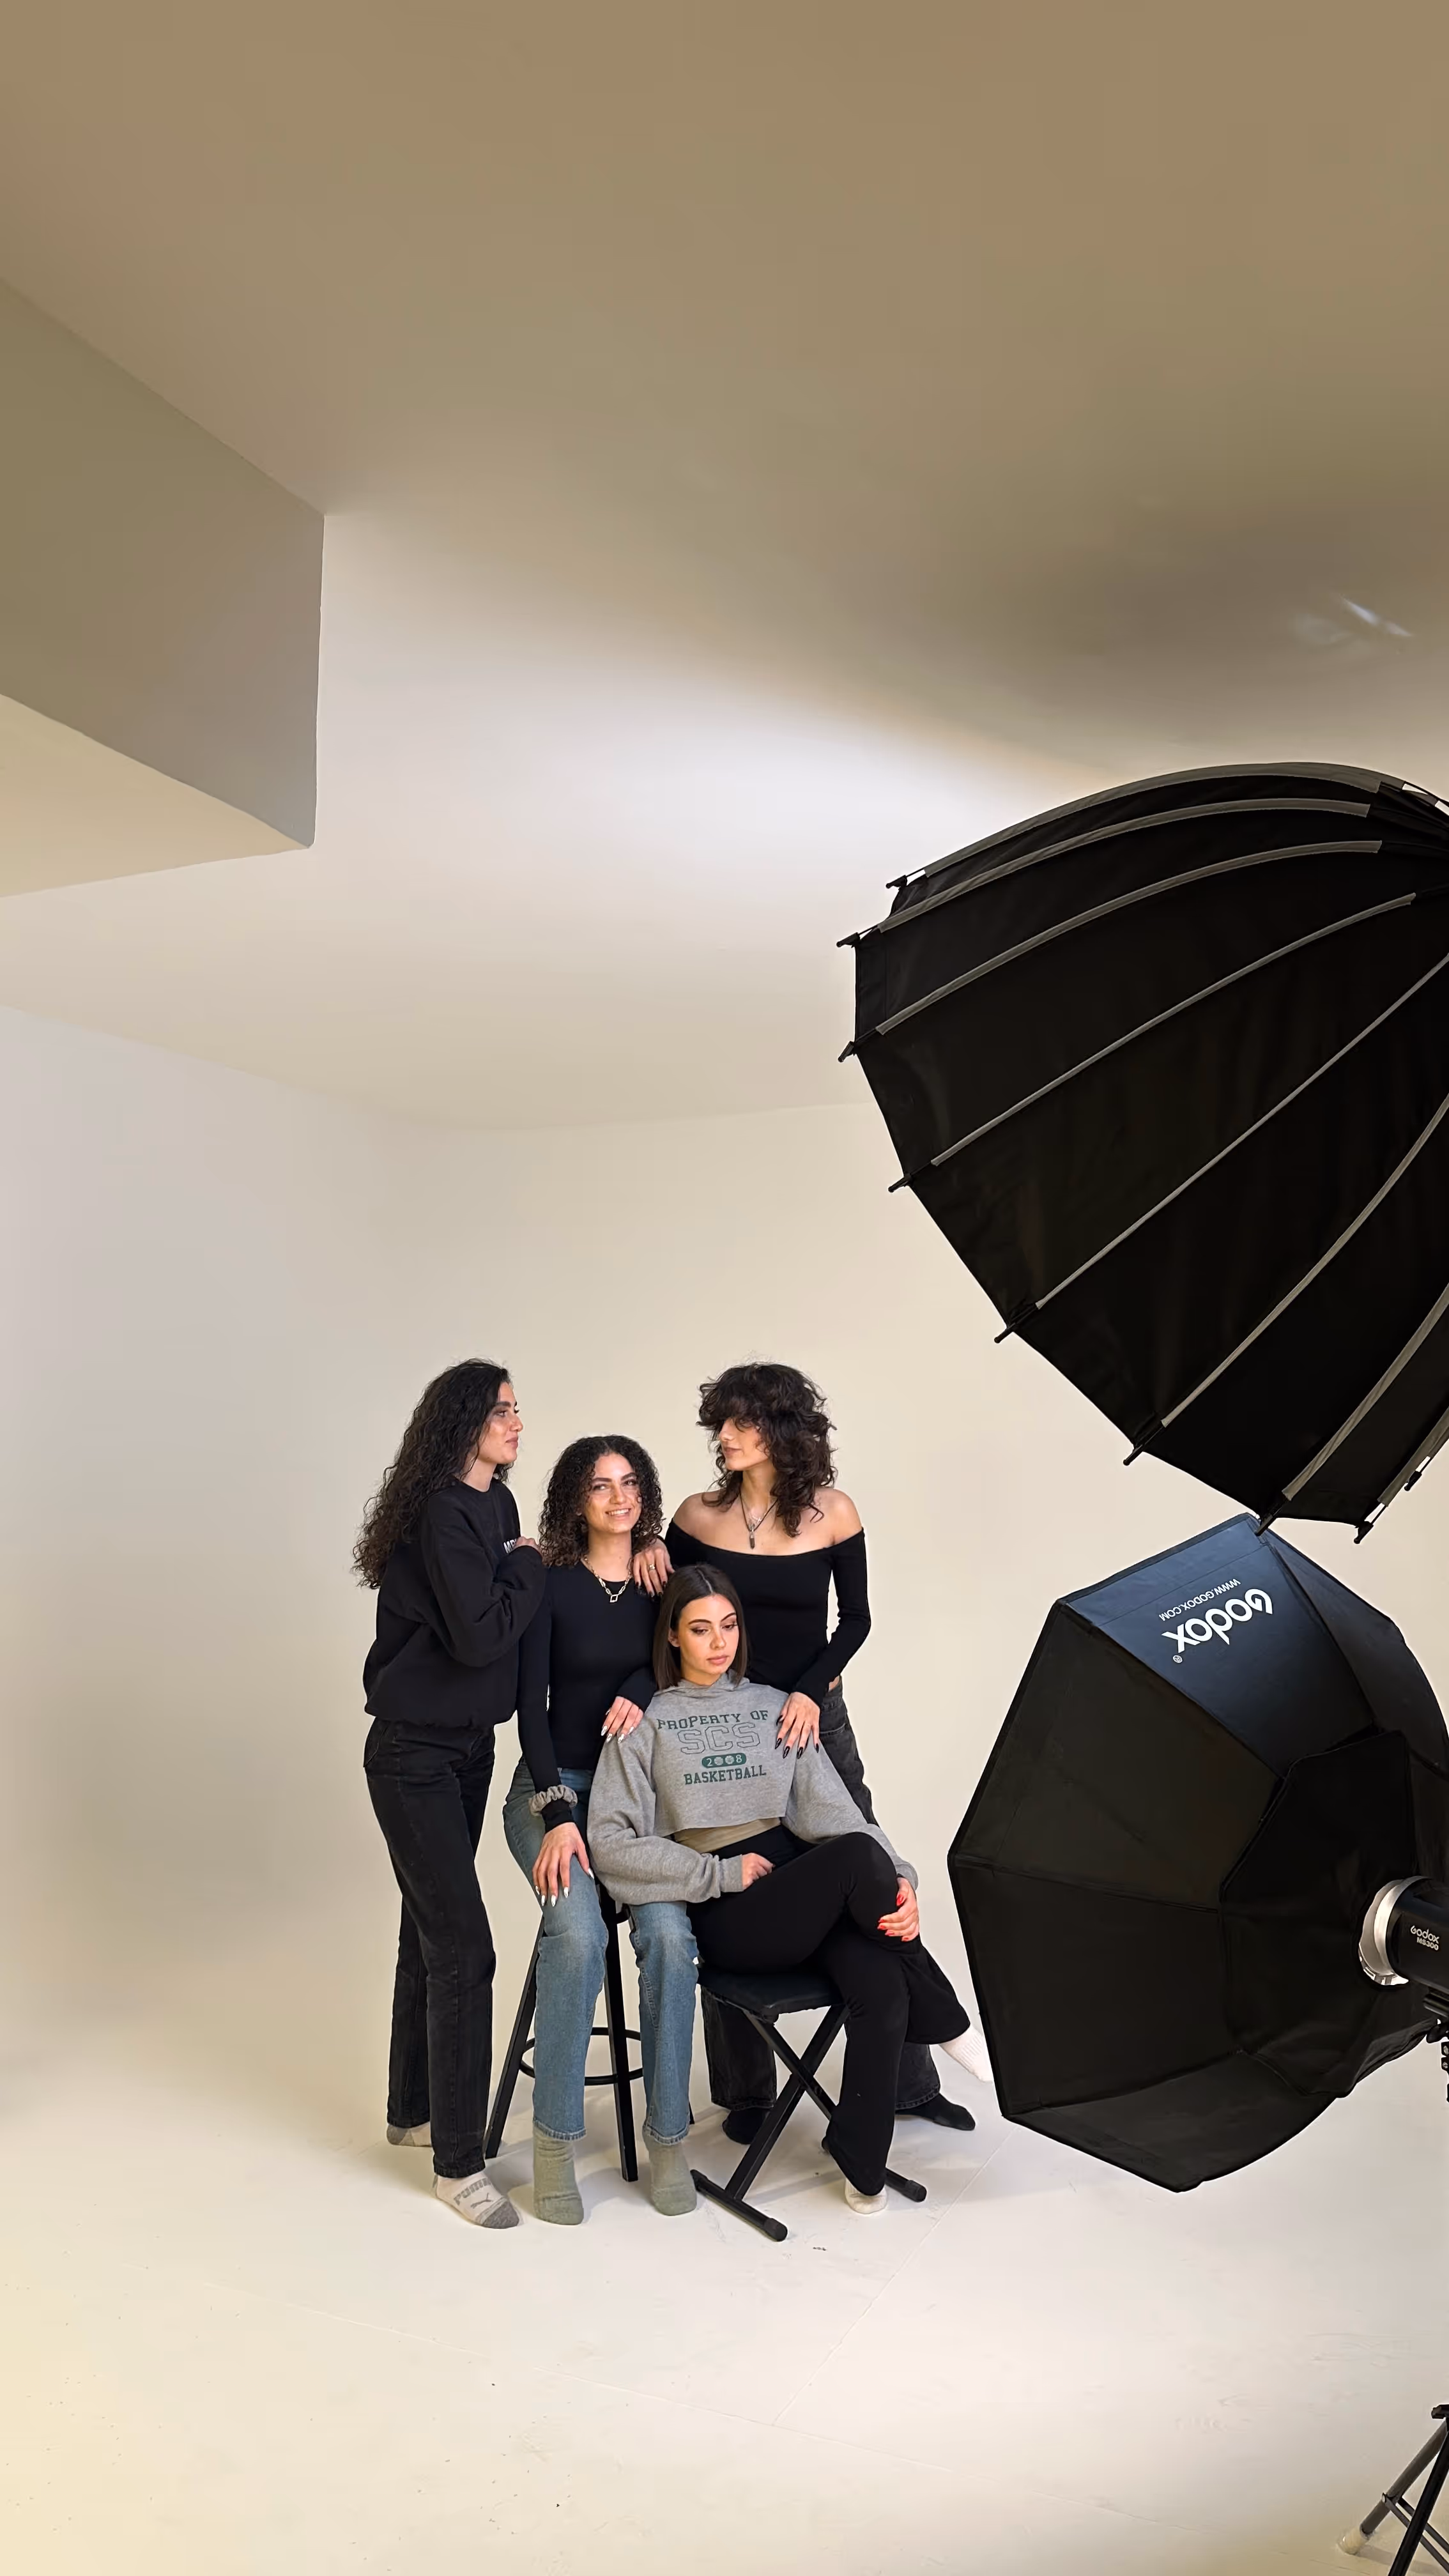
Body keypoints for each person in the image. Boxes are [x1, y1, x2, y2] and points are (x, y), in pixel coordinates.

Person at [638, 1359, 983, 2137]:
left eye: (739, 1423)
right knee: (729, 1875)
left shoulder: (834, 1513)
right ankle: (750, 2093)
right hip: (721, 1729)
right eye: (719, 1423)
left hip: (813, 1719)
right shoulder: (696, 1515)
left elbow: (855, 1620)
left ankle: (908, 2077)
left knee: (866, 1862)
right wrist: (635, 1553)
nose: (722, 1437)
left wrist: (807, 1689)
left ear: (781, 1430)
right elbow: (667, 1604)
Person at [589, 1569, 982, 2211]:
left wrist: (902, 1881)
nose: (718, 1642)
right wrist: (716, 1874)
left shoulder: (774, 1705)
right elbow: (610, 1845)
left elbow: (839, 1817)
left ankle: (861, 2156)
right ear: (672, 1636)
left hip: (799, 1889)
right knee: (855, 1861)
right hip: (726, 1909)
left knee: (879, 1975)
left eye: (728, 1626)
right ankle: (943, 2014)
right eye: (699, 1629)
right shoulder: (646, 1721)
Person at [356, 1359, 545, 2231]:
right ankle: (459, 2165)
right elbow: (480, 1637)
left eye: (515, 1408)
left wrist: (513, 1567)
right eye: (502, 1410)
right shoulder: (443, 1512)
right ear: (464, 1419)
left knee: (424, 1930)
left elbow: (491, 1616)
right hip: (413, 1757)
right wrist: (528, 1571)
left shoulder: (495, 1505)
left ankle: (414, 2110)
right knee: (464, 1950)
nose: (516, 1420)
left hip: (469, 1750)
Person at [504, 1436, 701, 2224]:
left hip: (636, 1804)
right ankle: (553, 2143)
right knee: (580, 1938)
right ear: (574, 1500)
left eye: (630, 1484)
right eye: (599, 1486)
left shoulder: (663, 1579)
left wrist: (635, 1684)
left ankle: (670, 2140)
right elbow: (529, 1709)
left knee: (669, 1937)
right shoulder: (550, 1584)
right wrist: (556, 1815)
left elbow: (682, 1662)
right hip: (552, 1789)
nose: (618, 1497)